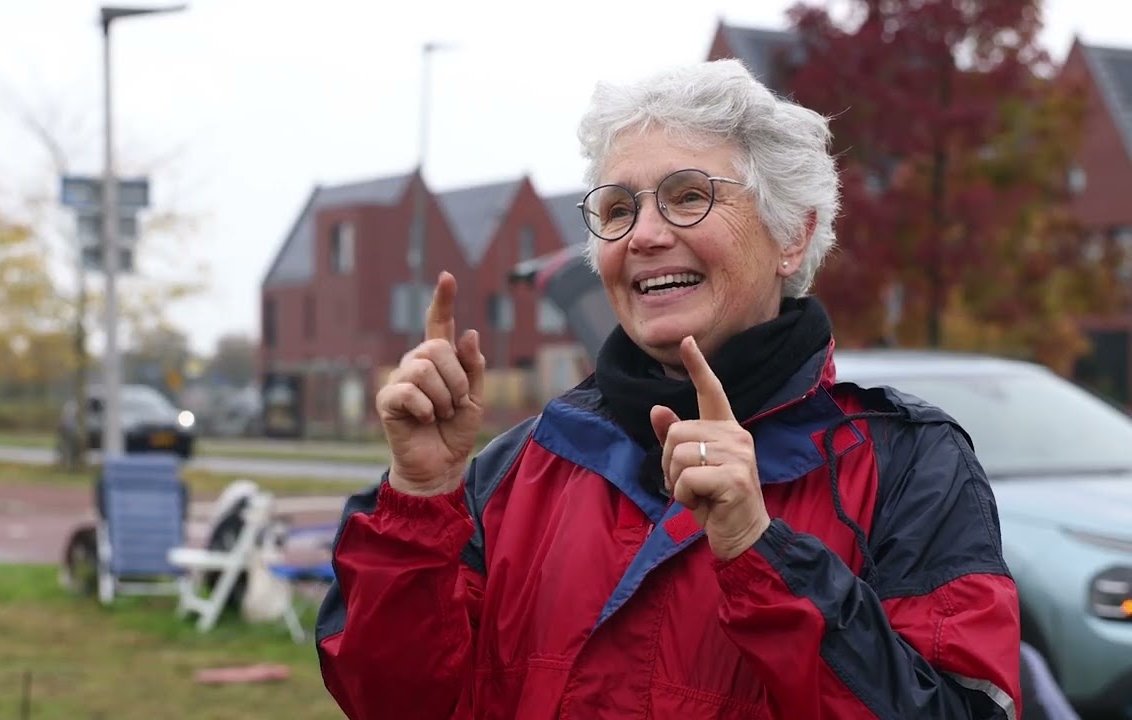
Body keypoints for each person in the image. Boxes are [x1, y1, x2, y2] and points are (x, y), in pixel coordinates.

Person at [316, 59, 1023, 719]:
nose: (645, 235)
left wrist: (761, 551)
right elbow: (394, 700)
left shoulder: (908, 467)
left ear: (792, 236)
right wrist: (418, 496)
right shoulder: (520, 467)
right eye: (619, 209)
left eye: (689, 196)